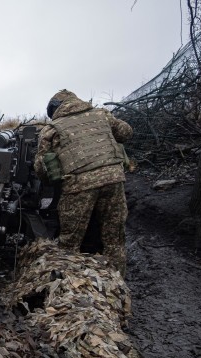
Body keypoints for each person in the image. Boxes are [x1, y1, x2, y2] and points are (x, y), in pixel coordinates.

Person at [35, 89, 133, 276]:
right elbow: (126, 133)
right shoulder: (102, 115)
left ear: (55, 109)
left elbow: (42, 168)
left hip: (78, 186)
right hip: (113, 180)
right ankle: (116, 283)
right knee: (114, 239)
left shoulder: (51, 129)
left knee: (69, 242)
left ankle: (66, 287)